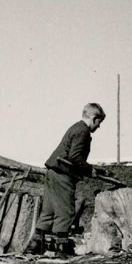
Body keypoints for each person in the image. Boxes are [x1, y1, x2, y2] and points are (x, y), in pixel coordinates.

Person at [28, 103, 106, 256]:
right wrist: (90, 170)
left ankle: (35, 246)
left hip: (52, 171)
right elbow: (75, 157)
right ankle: (61, 249)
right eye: (99, 122)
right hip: (63, 174)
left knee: (49, 211)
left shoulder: (75, 127)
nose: (99, 126)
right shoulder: (83, 131)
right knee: (66, 211)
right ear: (94, 118)